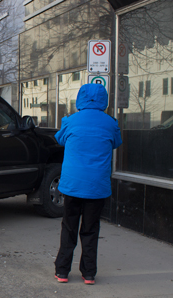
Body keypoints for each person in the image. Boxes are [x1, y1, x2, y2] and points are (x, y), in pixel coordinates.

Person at [53, 83, 122, 285]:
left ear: (80, 98)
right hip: (97, 187)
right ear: (104, 100)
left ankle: (62, 271)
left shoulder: (70, 121)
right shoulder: (110, 123)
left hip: (73, 185)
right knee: (91, 229)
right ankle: (89, 273)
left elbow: (60, 139)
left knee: (69, 227)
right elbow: (116, 142)